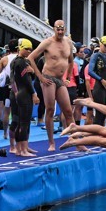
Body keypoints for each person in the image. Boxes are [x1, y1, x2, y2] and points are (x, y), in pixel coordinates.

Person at [28, 20, 75, 151]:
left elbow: (70, 61)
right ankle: (51, 143)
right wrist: (40, 77)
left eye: (62, 29)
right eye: (57, 29)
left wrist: (68, 77)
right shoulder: (48, 42)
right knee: (50, 109)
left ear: (65, 29)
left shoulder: (68, 43)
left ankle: (76, 140)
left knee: (68, 111)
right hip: (48, 78)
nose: (60, 32)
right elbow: (31, 58)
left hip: (60, 79)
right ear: (54, 29)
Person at [9, 39, 39, 157]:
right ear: (20, 48)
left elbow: (12, 79)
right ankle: (23, 150)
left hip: (17, 93)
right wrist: (34, 93)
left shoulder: (14, 61)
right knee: (24, 123)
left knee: (20, 122)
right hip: (24, 94)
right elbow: (27, 81)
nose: (28, 51)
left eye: (30, 49)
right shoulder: (22, 63)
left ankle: (19, 148)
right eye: (26, 49)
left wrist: (15, 92)